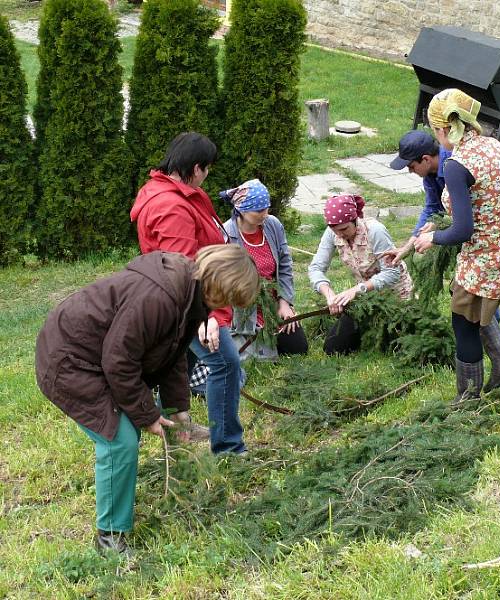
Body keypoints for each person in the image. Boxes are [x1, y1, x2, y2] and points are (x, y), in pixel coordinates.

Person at [34, 245, 259, 554]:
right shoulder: (161, 297)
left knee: (127, 431)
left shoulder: (191, 293)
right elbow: (119, 361)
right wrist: (148, 414)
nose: (227, 307)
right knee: (120, 439)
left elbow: (172, 352)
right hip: (71, 359)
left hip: (98, 356)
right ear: (217, 283)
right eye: (228, 299)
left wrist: (179, 410)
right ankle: (109, 537)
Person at [130, 132, 249, 454]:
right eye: (208, 168)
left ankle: (172, 424)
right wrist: (206, 316)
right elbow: (183, 270)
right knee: (225, 363)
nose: (208, 175)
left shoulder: (176, 192)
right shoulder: (171, 207)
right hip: (187, 304)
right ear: (196, 167)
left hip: (186, 300)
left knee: (175, 361)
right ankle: (228, 446)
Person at [412, 89, 500, 399]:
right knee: (467, 302)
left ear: (443, 129)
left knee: (463, 323)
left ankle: (468, 398)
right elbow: (491, 201)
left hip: (486, 256)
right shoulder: (496, 146)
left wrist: (430, 238)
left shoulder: (455, 165)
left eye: (436, 133)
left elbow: (463, 230)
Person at [387, 129, 500, 261]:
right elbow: (432, 209)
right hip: (473, 222)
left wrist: (440, 230)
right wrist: (408, 247)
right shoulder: (430, 175)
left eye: (411, 167)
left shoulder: (457, 163)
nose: (410, 172)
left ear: (426, 159)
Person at [308, 194, 413, 354]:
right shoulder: (332, 233)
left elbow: (392, 273)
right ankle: (367, 328)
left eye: (344, 229)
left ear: (355, 219)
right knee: (333, 347)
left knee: (395, 346)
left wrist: (356, 290)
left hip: (396, 298)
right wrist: (328, 294)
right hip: (366, 302)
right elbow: (315, 268)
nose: (340, 235)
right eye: (335, 230)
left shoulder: (375, 231)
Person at [222, 179, 308, 360]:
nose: (265, 214)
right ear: (242, 210)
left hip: (273, 303)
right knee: (255, 357)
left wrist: (284, 303)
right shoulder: (227, 234)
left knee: (298, 348)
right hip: (244, 308)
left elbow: (285, 265)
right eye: (259, 210)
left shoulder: (272, 225)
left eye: (267, 208)